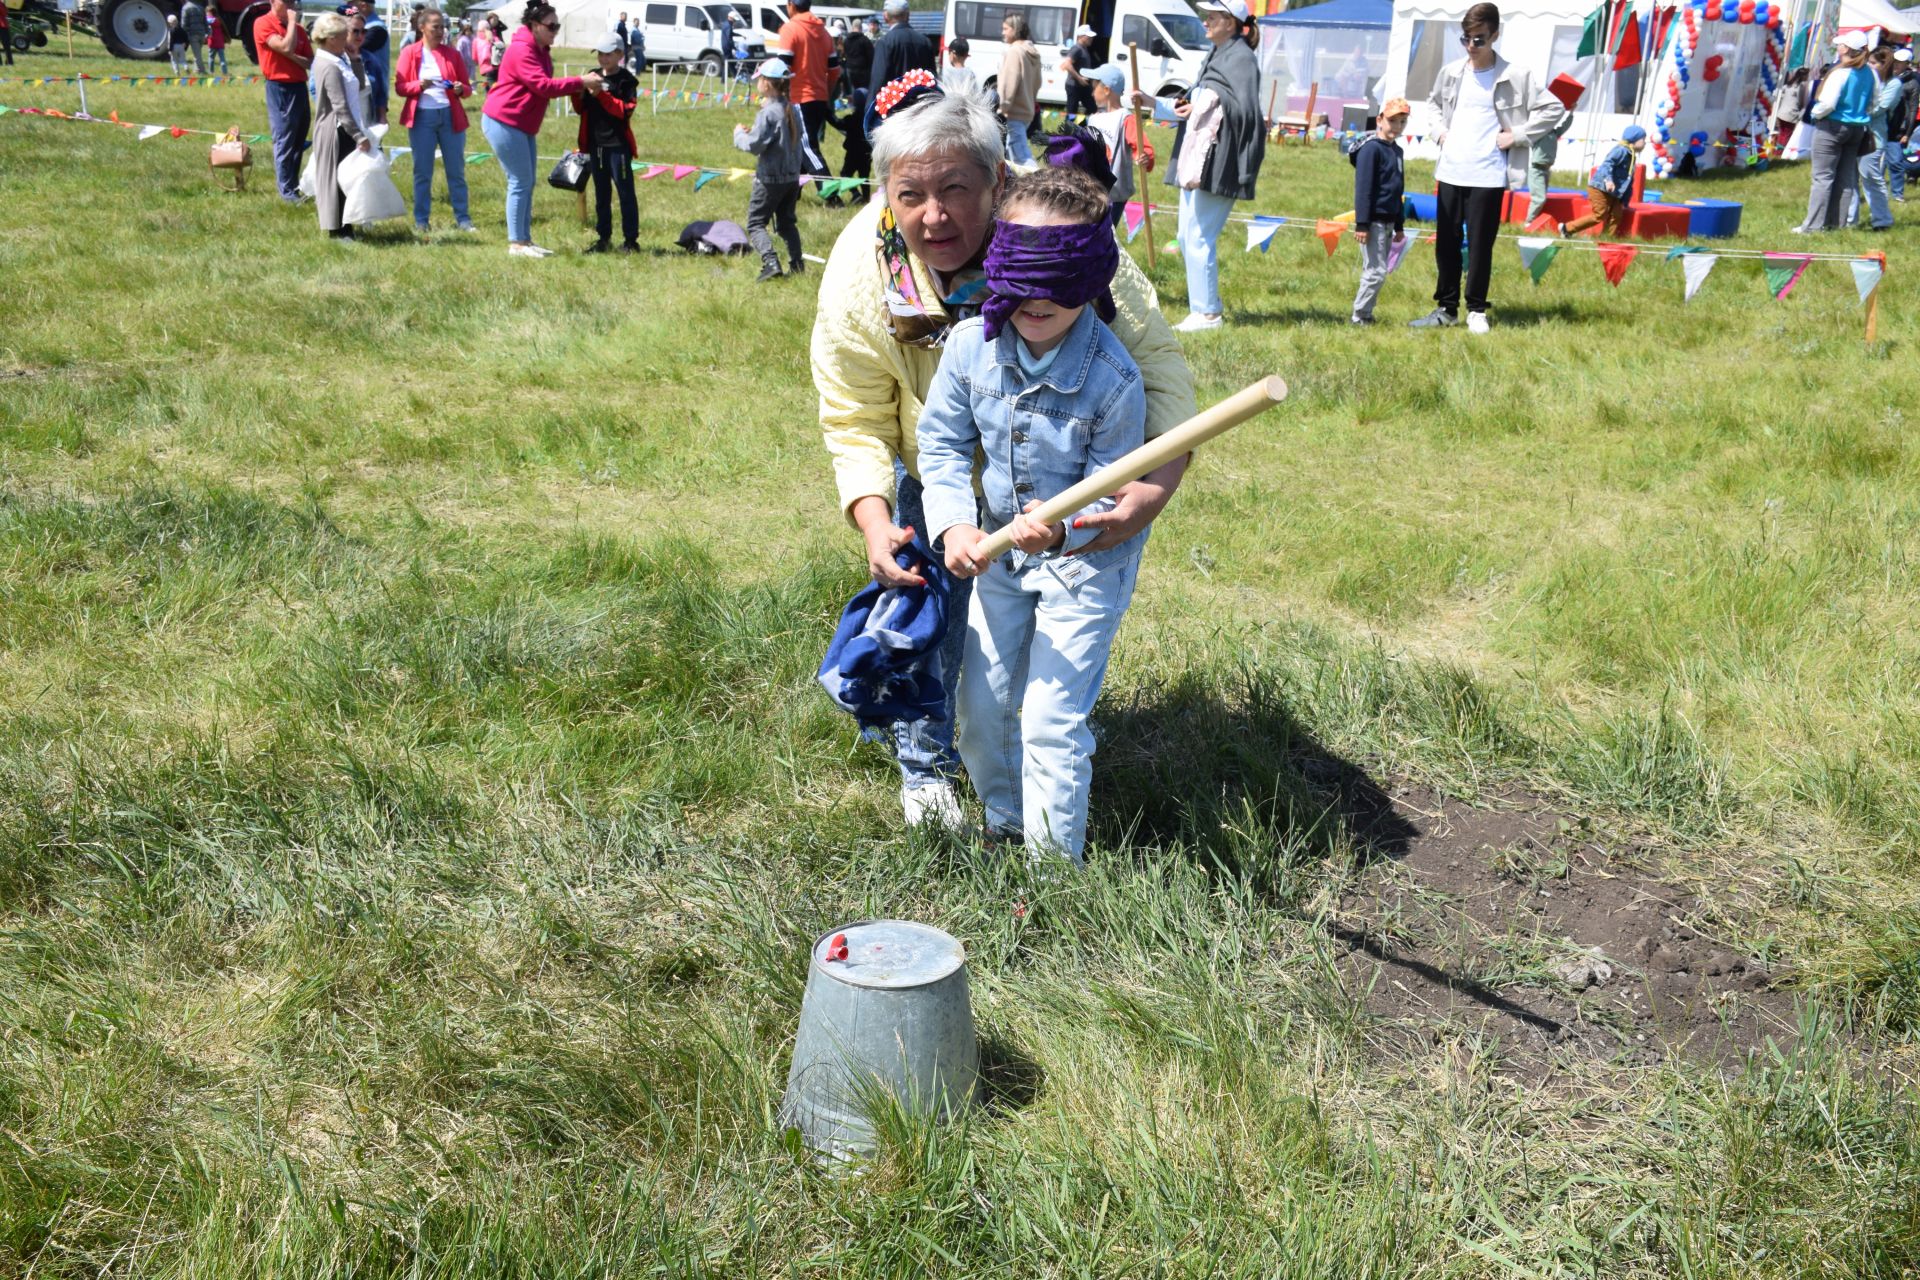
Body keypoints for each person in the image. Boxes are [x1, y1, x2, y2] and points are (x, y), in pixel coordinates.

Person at [810, 83, 1196, 828]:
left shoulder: (1066, 240)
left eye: (956, 189)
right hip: (942, 462)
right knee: (928, 616)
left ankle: (1048, 764)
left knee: (1044, 671)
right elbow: (853, 412)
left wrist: (1153, 489)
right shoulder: (863, 271)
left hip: (1073, 484)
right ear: (885, 193)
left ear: (998, 181)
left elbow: (1161, 372)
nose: (935, 214)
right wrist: (873, 516)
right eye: (911, 194)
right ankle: (928, 766)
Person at [917, 164, 1144, 864]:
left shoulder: (1114, 382)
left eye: (1060, 279)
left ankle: (1054, 877)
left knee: (1050, 718)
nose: (1038, 299)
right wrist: (955, 523)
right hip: (999, 556)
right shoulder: (967, 348)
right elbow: (943, 441)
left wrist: (1068, 527)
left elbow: (1112, 498)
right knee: (981, 710)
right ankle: (1006, 821)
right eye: (1024, 277)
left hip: (1085, 566)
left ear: (1094, 276)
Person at [1408, 2, 1564, 334]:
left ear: (1495, 35)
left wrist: (1518, 136)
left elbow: (1554, 107)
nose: (1471, 46)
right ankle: (1446, 309)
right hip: (1450, 170)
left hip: (1489, 175)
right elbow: (1433, 104)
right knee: (1446, 244)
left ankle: (1476, 310)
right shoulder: (1451, 72)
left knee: (1480, 245)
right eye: (1465, 39)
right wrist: (1439, 133)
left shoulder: (1515, 75)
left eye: (1479, 39)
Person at [1139, 0, 1264, 333]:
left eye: (1213, 16)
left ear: (1232, 22)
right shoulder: (1216, 56)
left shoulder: (1242, 60)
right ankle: (1204, 309)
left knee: (1198, 237)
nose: (1205, 21)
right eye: (1207, 15)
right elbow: (1197, 106)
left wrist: (1205, 104)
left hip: (1220, 160)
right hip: (1198, 157)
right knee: (1186, 234)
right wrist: (1160, 104)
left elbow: (1246, 115)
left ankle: (1208, 314)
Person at [482, 0, 602, 257]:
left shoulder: (541, 48)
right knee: (519, 181)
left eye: (558, 25)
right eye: (551, 25)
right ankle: (516, 244)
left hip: (522, 124)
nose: (555, 30)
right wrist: (580, 81)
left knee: (527, 181)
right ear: (535, 25)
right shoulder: (521, 50)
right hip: (503, 120)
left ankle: (525, 241)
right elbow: (543, 86)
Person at [394, 6, 474, 233]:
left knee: (456, 170)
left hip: (450, 116)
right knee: (422, 171)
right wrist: (417, 85)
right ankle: (421, 220)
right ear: (422, 28)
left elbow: (467, 88)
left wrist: (461, 89)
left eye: (443, 27)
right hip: (422, 118)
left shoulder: (452, 54)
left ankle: (464, 219)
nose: (441, 31)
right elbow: (400, 88)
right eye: (436, 27)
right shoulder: (410, 53)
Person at [735, 57, 813, 280]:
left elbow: (754, 145)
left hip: (770, 179)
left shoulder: (768, 113)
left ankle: (771, 262)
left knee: (756, 223)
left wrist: (739, 134)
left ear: (767, 83)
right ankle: (797, 264)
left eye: (759, 79)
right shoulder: (792, 109)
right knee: (787, 222)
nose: (758, 82)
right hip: (791, 177)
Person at [1796, 30, 1874, 233]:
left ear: (1846, 49)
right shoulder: (1870, 72)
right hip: (1857, 128)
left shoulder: (1841, 73)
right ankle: (1836, 224)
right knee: (1845, 178)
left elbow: (1828, 103)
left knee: (1822, 177)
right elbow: (1875, 101)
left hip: (1832, 126)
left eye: (1841, 44)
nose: (1838, 47)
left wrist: (1815, 113)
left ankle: (1812, 226)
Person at [574, 33, 640, 253]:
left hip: (618, 146)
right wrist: (577, 91)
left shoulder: (627, 81)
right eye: (600, 54)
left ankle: (631, 241)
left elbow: (624, 112)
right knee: (601, 194)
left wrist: (601, 94)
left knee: (625, 193)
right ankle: (603, 238)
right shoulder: (592, 76)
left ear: (620, 54)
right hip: (596, 145)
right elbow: (579, 109)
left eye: (608, 54)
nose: (603, 58)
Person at [309, 12, 372, 240]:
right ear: (331, 38)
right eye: (344, 34)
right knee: (337, 182)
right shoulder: (328, 64)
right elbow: (339, 105)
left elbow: (360, 85)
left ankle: (348, 227)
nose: (348, 38)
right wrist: (358, 135)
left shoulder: (340, 60)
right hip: (337, 131)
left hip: (347, 128)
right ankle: (338, 230)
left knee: (349, 180)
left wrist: (355, 59)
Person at [1349, 97, 1409, 325]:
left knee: (1376, 271)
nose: (1397, 126)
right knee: (1376, 271)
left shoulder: (1397, 152)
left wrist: (1400, 225)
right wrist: (1362, 223)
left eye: (1402, 122)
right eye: (1393, 120)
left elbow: (1397, 190)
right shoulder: (1371, 150)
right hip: (1373, 221)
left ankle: (1367, 314)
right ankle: (1359, 315)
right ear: (1380, 120)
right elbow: (1363, 189)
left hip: (1389, 221)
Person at [256, 0, 314, 203]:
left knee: (298, 139)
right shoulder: (263, 23)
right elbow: (285, 45)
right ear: (272, 1)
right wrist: (291, 22)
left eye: (293, 1)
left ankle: (294, 186)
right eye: (285, 0)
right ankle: (286, 191)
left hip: (299, 87)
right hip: (279, 87)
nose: (290, 4)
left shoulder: (298, 29)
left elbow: (310, 61)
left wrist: (291, 56)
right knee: (285, 139)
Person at [776, 0, 836, 193]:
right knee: (798, 147)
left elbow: (782, 68)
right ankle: (793, 194)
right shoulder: (824, 32)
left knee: (806, 148)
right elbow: (835, 70)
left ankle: (831, 193)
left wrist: (778, 97)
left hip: (799, 97)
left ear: (791, 5)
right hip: (819, 97)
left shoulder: (790, 29)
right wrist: (827, 92)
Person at [1086, 63, 1153, 221]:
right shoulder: (1094, 118)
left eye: (1094, 88)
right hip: (1092, 190)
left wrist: (1144, 156)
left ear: (1107, 90)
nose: (1091, 93)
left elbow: (1142, 145)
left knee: (1105, 236)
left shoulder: (1125, 118)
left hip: (1113, 195)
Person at [1558, 123, 1645, 238]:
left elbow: (1628, 181)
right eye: (1643, 139)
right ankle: (1567, 228)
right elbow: (1606, 164)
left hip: (1615, 192)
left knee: (1617, 214)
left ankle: (1606, 239)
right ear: (1633, 139)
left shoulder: (1631, 155)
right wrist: (1608, 180)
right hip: (1600, 187)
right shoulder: (1621, 151)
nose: (1645, 143)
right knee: (1599, 215)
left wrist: (1625, 201)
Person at [1848, 45, 1898, 230]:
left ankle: (1882, 219)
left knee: (1870, 176)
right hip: (1855, 132)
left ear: (1884, 64)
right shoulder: (1866, 78)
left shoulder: (1893, 84)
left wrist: (1855, 112)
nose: (1869, 65)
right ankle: (1849, 219)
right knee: (1850, 177)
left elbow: (1879, 108)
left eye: (1873, 63)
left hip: (1874, 138)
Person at [1527, 78, 1579, 224]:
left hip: (1546, 168)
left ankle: (1535, 221)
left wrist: (1572, 112)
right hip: (1537, 169)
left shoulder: (1553, 133)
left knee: (1542, 196)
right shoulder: (1539, 133)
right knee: (1539, 198)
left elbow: (1565, 125)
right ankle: (1528, 222)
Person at [868, 0, 935, 105]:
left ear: (885, 16)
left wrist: (869, 109)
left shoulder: (885, 42)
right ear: (908, 15)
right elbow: (932, 78)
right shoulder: (925, 41)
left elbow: (878, 80)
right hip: (921, 108)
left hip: (893, 109)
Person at [996, 12, 1041, 163]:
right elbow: (1038, 82)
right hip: (1027, 110)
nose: (1002, 32)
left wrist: (1003, 107)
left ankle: (1037, 183)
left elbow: (1009, 83)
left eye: (1005, 29)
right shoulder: (1032, 52)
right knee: (1013, 152)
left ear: (1015, 30)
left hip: (1015, 112)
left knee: (1021, 157)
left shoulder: (1014, 51)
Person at [353, 0, 390, 123]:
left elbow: (354, 48)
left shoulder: (376, 29)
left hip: (373, 95)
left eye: (350, 4)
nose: (346, 8)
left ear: (363, 5)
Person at [1891, 48, 1917, 202]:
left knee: (1897, 161)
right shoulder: (1888, 77)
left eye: (1901, 62)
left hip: (1900, 126)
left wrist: (1907, 132)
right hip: (1885, 123)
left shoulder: (1912, 82)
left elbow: (1913, 108)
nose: (1897, 64)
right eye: (1896, 61)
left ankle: (1898, 193)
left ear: (1907, 64)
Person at [1063, 24, 1098, 119]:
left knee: (1092, 108)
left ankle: (1085, 128)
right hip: (1074, 85)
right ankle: (1067, 132)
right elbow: (1067, 64)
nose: (1091, 39)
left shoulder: (1084, 49)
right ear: (1081, 37)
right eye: (1089, 37)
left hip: (1084, 86)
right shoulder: (1076, 49)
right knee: (1072, 111)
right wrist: (1079, 79)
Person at [1772, 66, 1809, 150]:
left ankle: (1777, 152)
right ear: (1803, 76)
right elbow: (1801, 102)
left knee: (1782, 133)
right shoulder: (1801, 87)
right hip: (1791, 114)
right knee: (1787, 135)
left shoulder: (1788, 84)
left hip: (1781, 113)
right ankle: (1780, 153)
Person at [180, 0, 209, 73]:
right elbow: (205, 22)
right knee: (198, 52)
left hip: (193, 34)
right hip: (202, 33)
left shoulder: (185, 8)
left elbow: (184, 24)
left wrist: (184, 35)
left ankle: (202, 71)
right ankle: (196, 70)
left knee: (197, 55)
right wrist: (207, 32)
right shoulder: (201, 8)